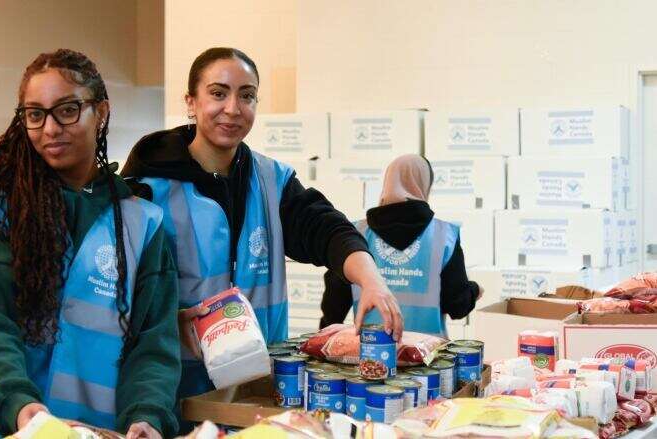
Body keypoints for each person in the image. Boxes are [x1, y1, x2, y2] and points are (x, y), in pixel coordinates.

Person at [120, 47, 403, 424]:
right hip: (175, 395)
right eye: (218, 93)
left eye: (247, 95)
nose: (233, 108)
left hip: (257, 392)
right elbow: (120, 295)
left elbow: (328, 229)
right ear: (191, 102)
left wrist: (371, 280)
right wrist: (169, 319)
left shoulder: (272, 181)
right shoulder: (145, 190)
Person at [0, 49, 180, 439]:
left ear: (101, 112)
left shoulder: (141, 223)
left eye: (67, 110)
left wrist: (146, 415)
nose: (50, 128)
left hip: (80, 430)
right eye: (35, 114)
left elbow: (153, 346)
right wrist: (20, 407)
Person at [320, 154, 482, 336]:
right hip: (426, 357)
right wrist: (475, 290)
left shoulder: (355, 234)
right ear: (424, 185)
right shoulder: (444, 235)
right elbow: (457, 306)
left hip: (372, 355)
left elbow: (334, 304)